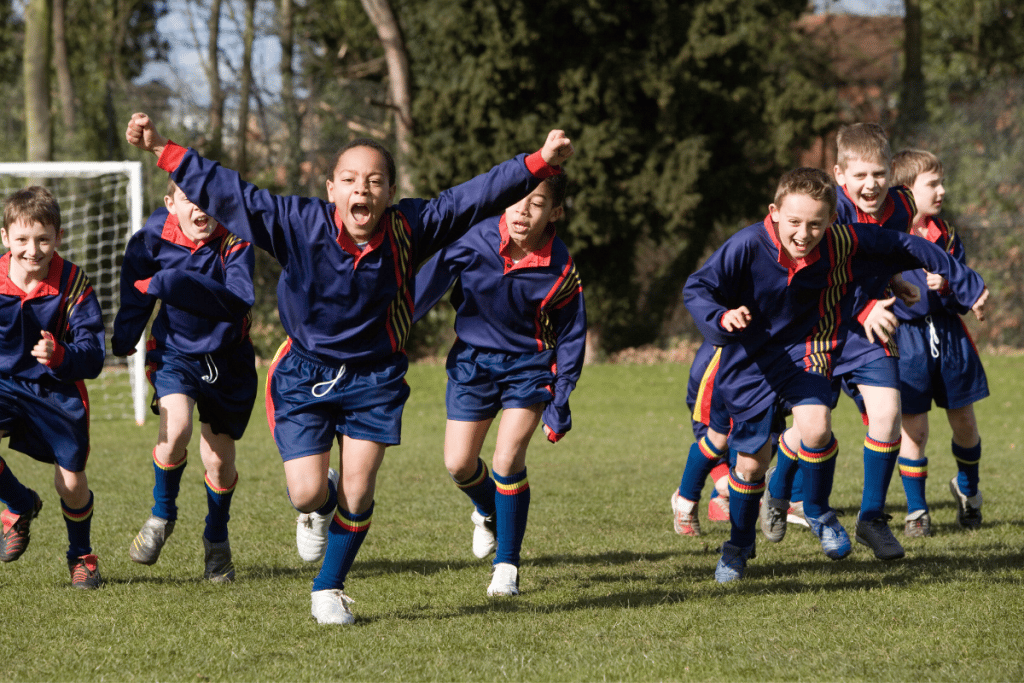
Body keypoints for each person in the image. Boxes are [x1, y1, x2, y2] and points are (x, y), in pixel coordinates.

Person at [125, 112, 573, 624]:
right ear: (332, 189)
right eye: (351, 180)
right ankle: (319, 501)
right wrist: (162, 147)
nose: (363, 190)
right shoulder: (298, 222)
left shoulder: (412, 228)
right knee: (308, 493)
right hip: (303, 374)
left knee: (361, 492)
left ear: (390, 193)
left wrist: (536, 163)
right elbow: (232, 193)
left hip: (376, 379)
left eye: (375, 181)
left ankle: (329, 589)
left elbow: (477, 195)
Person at [683, 167, 987, 583]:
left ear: (832, 221)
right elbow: (697, 288)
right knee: (752, 466)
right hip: (749, 360)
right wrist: (721, 317)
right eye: (794, 222)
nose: (804, 234)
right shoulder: (747, 245)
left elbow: (906, 244)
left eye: (815, 224)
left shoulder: (839, 241)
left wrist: (965, 282)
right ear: (774, 213)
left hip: (805, 352)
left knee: (817, 425)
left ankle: (820, 511)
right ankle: (737, 546)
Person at [412, 173, 585, 596]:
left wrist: (561, 400)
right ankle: (487, 509)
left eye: (538, 203)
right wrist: (382, 330)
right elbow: (420, 291)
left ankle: (506, 565)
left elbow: (573, 336)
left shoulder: (561, 267)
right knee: (458, 464)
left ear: (555, 213)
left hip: (530, 367)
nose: (524, 210)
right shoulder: (473, 238)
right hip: (472, 362)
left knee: (508, 462)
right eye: (516, 200)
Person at [111, 179, 257, 582]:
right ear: (170, 202)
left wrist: (178, 285)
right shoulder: (153, 236)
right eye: (190, 199)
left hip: (229, 360)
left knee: (219, 461)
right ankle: (162, 515)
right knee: (176, 430)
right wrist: (126, 333)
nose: (201, 209)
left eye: (210, 201)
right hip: (175, 352)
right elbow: (137, 288)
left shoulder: (235, 239)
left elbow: (239, 300)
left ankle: (216, 538)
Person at [0, 186, 106, 588]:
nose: (33, 250)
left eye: (43, 239)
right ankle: (20, 502)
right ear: (6, 238)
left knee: (72, 484)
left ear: (58, 238)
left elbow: (93, 354)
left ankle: (81, 555)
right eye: (23, 239)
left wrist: (60, 353)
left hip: (56, 389)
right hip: (4, 382)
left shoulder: (73, 282)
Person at [890, 149, 989, 536]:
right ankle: (917, 511)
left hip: (949, 338)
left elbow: (962, 296)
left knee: (964, 421)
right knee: (913, 429)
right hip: (907, 341)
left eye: (941, 181)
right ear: (905, 191)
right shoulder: (890, 237)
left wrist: (947, 287)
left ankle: (968, 490)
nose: (942, 190)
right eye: (932, 183)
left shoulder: (945, 234)